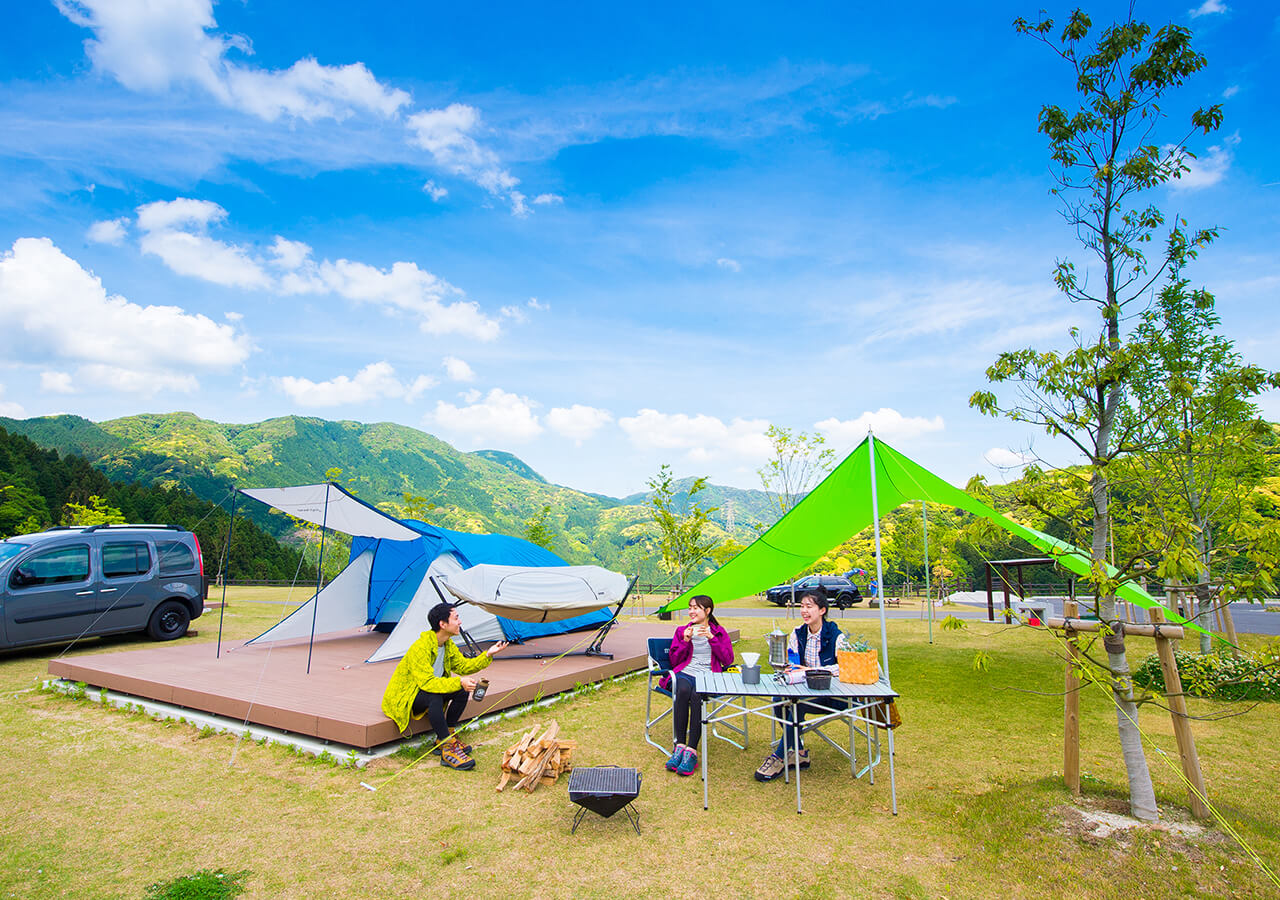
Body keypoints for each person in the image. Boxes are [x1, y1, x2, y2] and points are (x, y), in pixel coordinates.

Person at [381, 602, 509, 770]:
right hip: (407, 695)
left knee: (461, 691)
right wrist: (458, 681)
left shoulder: (447, 644)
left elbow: (464, 667)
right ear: (443, 624)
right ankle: (448, 749)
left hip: (427, 689)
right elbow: (427, 683)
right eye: (456, 618)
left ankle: (446, 737)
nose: (460, 622)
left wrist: (488, 654)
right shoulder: (420, 648)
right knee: (435, 695)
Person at [754, 591, 847, 782]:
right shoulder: (798, 634)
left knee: (797, 704)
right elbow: (794, 661)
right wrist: (789, 666)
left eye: (809, 606)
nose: (804, 611)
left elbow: (845, 667)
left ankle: (778, 758)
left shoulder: (836, 636)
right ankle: (799, 753)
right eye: (802, 606)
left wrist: (813, 670)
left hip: (834, 695)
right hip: (805, 689)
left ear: (822, 610)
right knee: (779, 700)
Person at [662, 594, 734, 777]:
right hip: (686, 672)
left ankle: (691, 751)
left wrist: (712, 638)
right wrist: (685, 641)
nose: (691, 611)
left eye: (695, 608)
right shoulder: (682, 630)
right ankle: (679, 746)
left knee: (696, 696)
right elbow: (674, 660)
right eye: (690, 607)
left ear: (707, 611)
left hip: (708, 675)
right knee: (683, 689)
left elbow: (728, 660)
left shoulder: (718, 632)